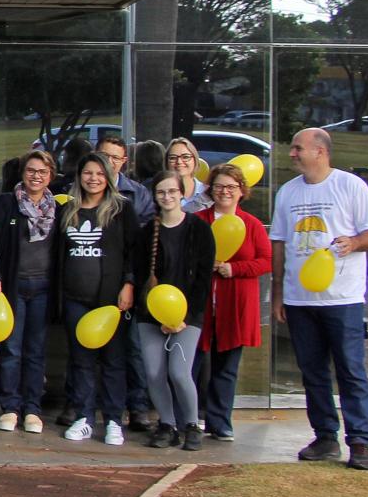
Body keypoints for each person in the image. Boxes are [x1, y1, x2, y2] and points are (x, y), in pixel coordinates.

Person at [269, 128, 368, 470]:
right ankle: (325, 436)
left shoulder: (350, 186)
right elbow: (279, 243)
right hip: (300, 301)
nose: (292, 153)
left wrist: (354, 244)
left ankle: (360, 441)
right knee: (312, 372)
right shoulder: (287, 192)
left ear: (320, 151)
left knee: (351, 370)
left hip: (342, 299)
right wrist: (279, 294)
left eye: (298, 148)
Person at [58, 153, 137, 447]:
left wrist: (128, 283)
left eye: (99, 173)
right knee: (81, 362)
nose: (93, 178)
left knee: (114, 361)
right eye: (87, 172)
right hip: (75, 299)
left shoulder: (121, 210)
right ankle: (84, 417)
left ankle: (114, 420)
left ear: (109, 177)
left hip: (110, 302)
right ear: (79, 176)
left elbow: (133, 251)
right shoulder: (68, 210)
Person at [135, 170, 216, 451]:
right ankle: (167, 425)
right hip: (150, 315)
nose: (167, 197)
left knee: (180, 372)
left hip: (188, 316)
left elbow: (204, 277)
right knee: (155, 373)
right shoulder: (147, 232)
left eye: (172, 191)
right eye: (161, 192)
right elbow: (138, 272)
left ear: (182, 193)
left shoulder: (199, 229)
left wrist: (184, 317)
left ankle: (191, 424)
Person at [193, 162, 270, 442]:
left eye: (231, 187)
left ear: (241, 191)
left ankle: (220, 422)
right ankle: (190, 419)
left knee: (226, 368)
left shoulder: (251, 224)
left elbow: (265, 260)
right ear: (210, 190)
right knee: (193, 365)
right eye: (218, 186)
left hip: (234, 306)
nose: (224, 191)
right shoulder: (199, 220)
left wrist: (234, 269)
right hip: (200, 307)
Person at [0, 150, 59, 433]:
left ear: (50, 175)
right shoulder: (6, 204)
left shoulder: (59, 209)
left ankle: (32, 408)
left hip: (43, 288)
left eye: (42, 172)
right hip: (13, 287)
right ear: (22, 172)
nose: (36, 176)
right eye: (31, 170)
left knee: (35, 351)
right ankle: (10, 407)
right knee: (11, 349)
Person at [96, 134, 156, 433]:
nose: (109, 163)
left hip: (125, 282)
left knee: (131, 349)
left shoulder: (138, 195)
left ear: (124, 162)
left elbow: (140, 244)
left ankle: (138, 406)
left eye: (115, 158)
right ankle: (87, 406)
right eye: (104, 156)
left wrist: (131, 281)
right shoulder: (83, 190)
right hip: (93, 280)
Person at [165, 137, 210, 212]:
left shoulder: (208, 192)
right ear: (166, 163)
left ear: (195, 160)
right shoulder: (160, 193)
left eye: (185, 157)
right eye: (173, 158)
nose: (179, 161)